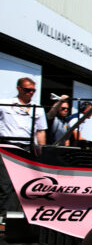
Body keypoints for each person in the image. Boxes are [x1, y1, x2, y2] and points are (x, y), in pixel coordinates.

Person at [0, 77, 48, 219]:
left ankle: (17, 216)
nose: (31, 93)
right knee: (5, 184)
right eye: (28, 90)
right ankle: (3, 217)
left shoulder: (37, 108)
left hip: (26, 148)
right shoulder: (5, 104)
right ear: (19, 89)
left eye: (33, 90)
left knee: (23, 184)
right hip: (7, 146)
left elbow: (41, 131)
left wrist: (43, 150)